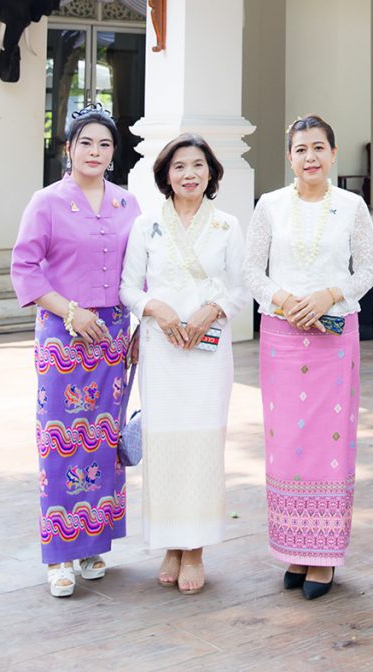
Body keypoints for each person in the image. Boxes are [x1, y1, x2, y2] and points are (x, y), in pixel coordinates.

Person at [243, 115, 373, 600]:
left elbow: (367, 270)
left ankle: (323, 556)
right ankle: (294, 550)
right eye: (301, 149)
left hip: (333, 336)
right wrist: (285, 302)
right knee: (286, 441)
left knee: (329, 442)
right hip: (282, 336)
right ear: (290, 157)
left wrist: (328, 295)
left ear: (333, 153)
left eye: (319, 147)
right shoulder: (270, 205)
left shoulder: (352, 206)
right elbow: (252, 272)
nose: (310, 157)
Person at [11, 103, 140, 597]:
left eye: (104, 144)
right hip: (64, 336)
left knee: (104, 442)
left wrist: (138, 330)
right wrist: (70, 312)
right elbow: (25, 268)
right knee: (61, 441)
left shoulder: (128, 204)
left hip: (111, 338)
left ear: (113, 153)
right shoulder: (45, 201)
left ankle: (92, 545)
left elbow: (140, 271)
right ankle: (59, 555)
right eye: (86, 142)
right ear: (68, 148)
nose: (95, 151)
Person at [120, 133, 248, 595]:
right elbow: (128, 287)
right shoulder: (146, 225)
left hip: (207, 351)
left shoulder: (228, 226)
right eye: (179, 166)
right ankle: (171, 543)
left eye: (197, 165)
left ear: (211, 172)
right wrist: (156, 309)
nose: (189, 174)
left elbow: (241, 287)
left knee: (202, 441)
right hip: (162, 348)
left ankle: (195, 548)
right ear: (165, 175)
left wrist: (211, 311)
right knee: (165, 441)